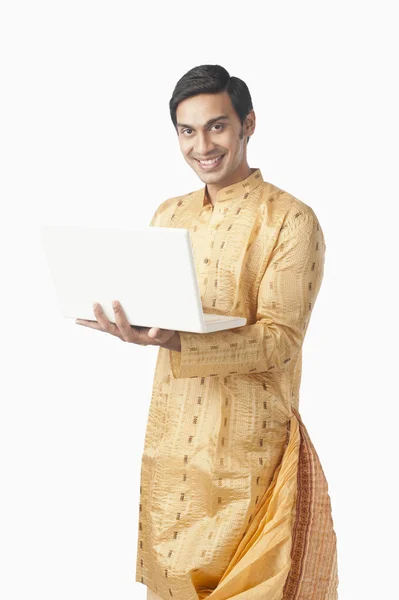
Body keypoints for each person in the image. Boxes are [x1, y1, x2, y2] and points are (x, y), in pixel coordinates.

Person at [76, 64, 338, 600]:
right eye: (187, 131)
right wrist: (130, 326)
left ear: (248, 125)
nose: (202, 146)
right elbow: (156, 314)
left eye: (217, 126)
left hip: (251, 455)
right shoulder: (169, 215)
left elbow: (281, 341)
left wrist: (174, 340)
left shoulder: (290, 220)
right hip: (171, 447)